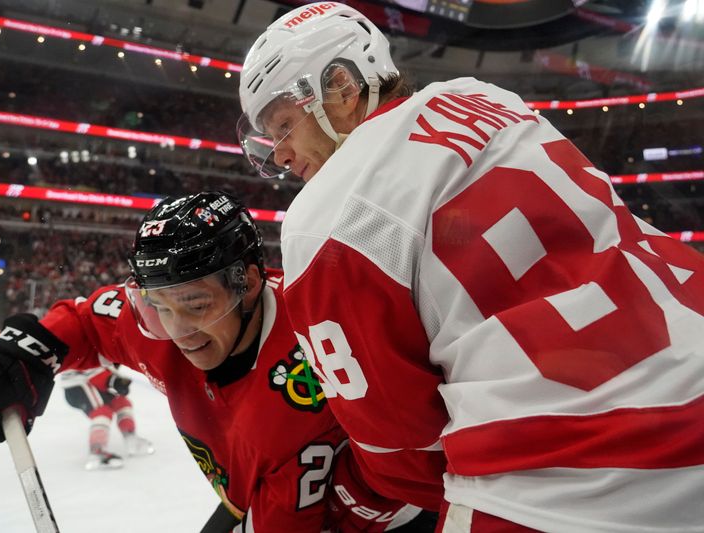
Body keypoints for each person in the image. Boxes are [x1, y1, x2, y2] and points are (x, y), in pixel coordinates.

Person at [237, 3, 704, 533]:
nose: (277, 154)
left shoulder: (325, 216)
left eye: (281, 125)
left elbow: (399, 447)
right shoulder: (487, 99)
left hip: (565, 484)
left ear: (341, 87)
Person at [0, 192, 432, 532]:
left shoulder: (315, 371)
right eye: (159, 305)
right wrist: (28, 347)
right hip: (257, 492)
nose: (177, 330)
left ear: (247, 282)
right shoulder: (161, 325)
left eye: (196, 304)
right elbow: (88, 321)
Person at [59, 364, 155, 470]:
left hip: (95, 378)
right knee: (101, 412)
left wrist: (116, 378)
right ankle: (97, 452)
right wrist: (114, 381)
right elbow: (89, 367)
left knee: (122, 403)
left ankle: (130, 437)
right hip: (78, 384)